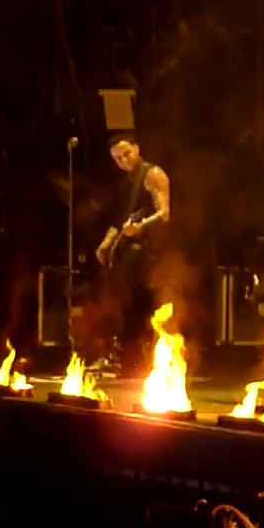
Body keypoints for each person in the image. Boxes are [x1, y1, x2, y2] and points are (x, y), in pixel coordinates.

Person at [94, 132, 171, 376]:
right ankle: (126, 359)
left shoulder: (153, 174)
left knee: (137, 305)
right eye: (118, 158)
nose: (124, 160)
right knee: (123, 304)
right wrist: (106, 243)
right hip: (129, 252)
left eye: (127, 154)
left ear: (137, 148)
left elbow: (164, 213)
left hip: (147, 252)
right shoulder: (127, 182)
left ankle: (133, 359)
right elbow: (121, 218)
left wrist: (141, 227)